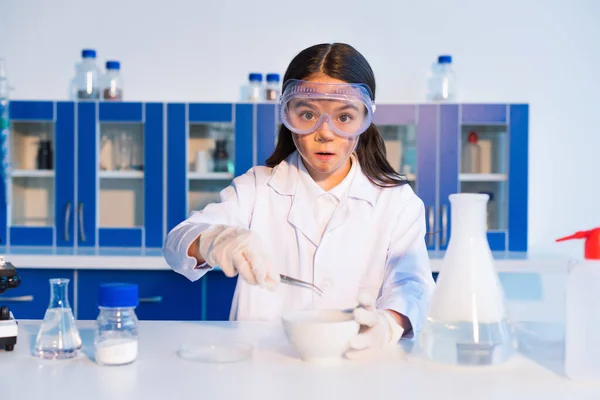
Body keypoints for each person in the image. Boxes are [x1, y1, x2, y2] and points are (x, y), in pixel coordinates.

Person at [163, 42, 435, 358]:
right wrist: (212, 240)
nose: (325, 132)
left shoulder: (396, 201)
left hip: (353, 366)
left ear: (365, 120)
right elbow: (176, 244)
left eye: (344, 117)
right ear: (287, 116)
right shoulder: (256, 188)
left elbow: (414, 286)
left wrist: (389, 323)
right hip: (264, 367)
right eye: (307, 114)